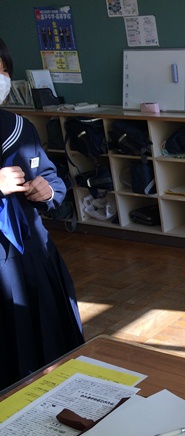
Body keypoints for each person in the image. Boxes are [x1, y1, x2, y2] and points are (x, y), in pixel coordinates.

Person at [0, 37, 84, 391]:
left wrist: (48, 190)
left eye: (2, 72)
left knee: (49, 345)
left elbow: (51, 177)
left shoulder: (20, 127)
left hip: (34, 254)